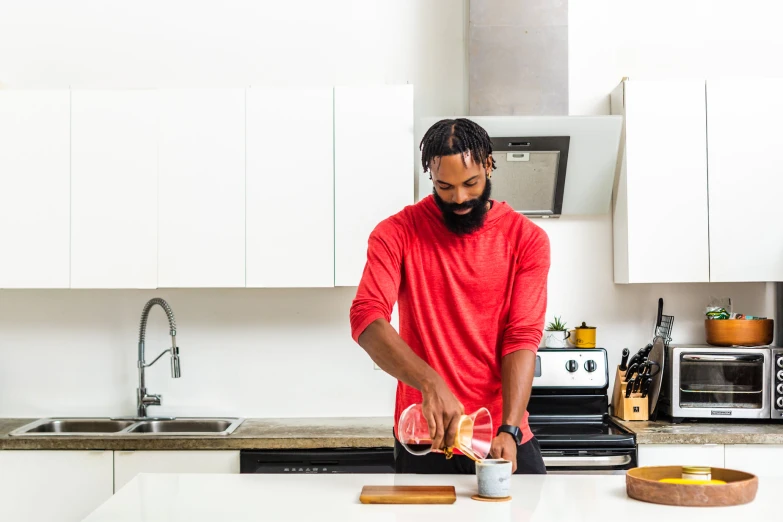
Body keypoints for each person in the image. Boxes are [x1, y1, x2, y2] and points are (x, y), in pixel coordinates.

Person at [349, 118, 550, 474]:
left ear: (489, 164)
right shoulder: (396, 233)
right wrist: (430, 382)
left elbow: (521, 337)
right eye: (445, 186)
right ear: (430, 176)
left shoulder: (527, 239)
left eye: (470, 183)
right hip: (427, 440)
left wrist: (510, 428)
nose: (459, 198)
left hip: (500, 438)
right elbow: (367, 316)